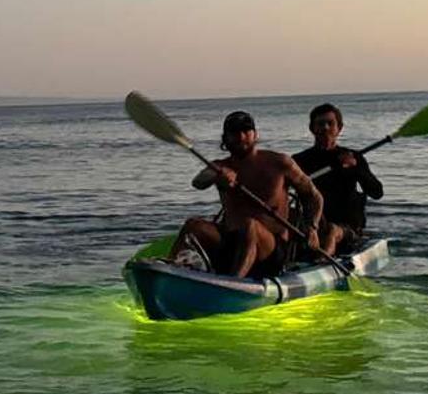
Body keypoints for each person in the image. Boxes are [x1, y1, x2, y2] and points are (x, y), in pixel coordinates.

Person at [164, 110, 326, 278]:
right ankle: (169, 272)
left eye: (246, 131)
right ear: (225, 139)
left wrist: (312, 228)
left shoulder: (280, 163)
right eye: (234, 132)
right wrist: (216, 174)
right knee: (193, 225)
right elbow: (198, 182)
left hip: (271, 250)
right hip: (231, 245)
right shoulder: (219, 166)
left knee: (251, 226)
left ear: (255, 134)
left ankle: (234, 282)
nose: (241, 136)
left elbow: (314, 196)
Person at [291, 103, 383, 256]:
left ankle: (324, 263)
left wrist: (356, 168)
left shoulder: (353, 157)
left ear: (339, 128)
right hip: (313, 224)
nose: (325, 128)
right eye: (320, 124)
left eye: (330, 123)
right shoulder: (299, 161)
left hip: (346, 227)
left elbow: (377, 192)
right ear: (312, 129)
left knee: (332, 231)